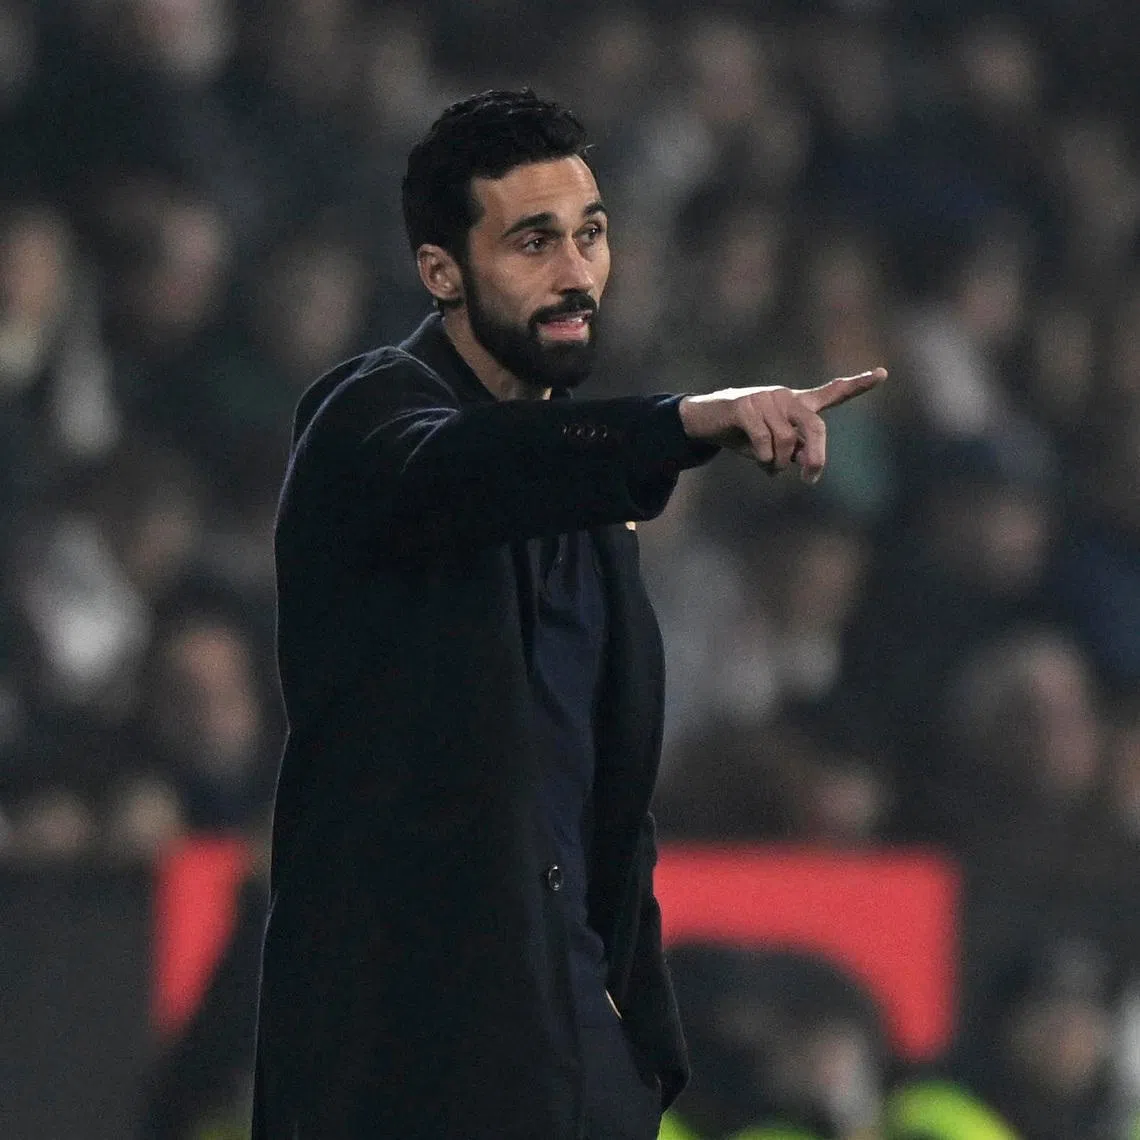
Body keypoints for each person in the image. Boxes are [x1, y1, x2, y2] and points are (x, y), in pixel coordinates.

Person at [251, 88, 885, 1140]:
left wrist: (636, 1051)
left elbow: (602, 807)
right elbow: (468, 466)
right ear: (441, 270)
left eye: (590, 235)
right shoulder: (368, 421)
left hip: (571, 1059)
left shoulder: (596, 515)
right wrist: (686, 422)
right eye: (532, 242)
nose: (575, 272)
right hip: (403, 1069)